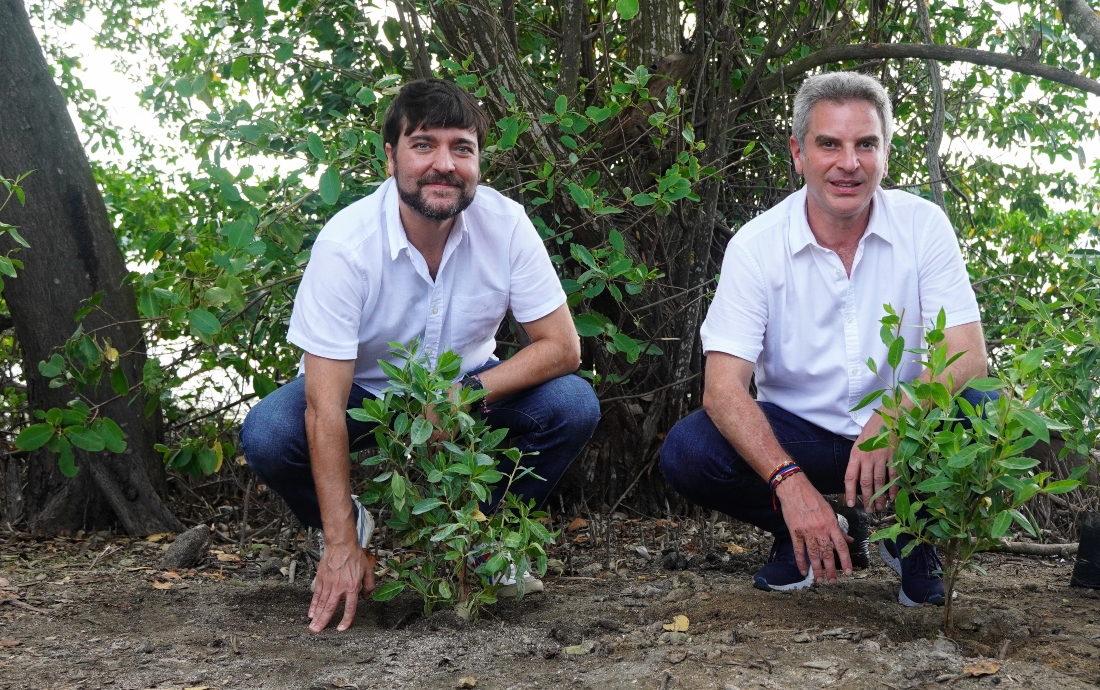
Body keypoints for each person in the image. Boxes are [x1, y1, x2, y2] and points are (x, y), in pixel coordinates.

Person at [240, 78, 600, 633]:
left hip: (466, 384)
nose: (444, 165)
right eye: (424, 144)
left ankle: (484, 541)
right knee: (268, 432)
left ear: (479, 160)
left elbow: (563, 348)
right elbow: (324, 407)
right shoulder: (346, 245)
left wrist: (465, 395)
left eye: (462, 147)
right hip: (366, 394)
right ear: (391, 158)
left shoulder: (505, 225)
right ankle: (348, 528)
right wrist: (337, 541)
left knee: (573, 404)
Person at [659, 72, 989, 606]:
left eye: (866, 144)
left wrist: (899, 415)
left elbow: (968, 355)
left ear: (885, 151)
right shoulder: (756, 245)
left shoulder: (924, 225)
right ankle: (807, 525)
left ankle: (914, 534)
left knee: (985, 408)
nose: (848, 163)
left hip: (904, 439)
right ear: (798, 153)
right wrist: (790, 484)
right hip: (800, 437)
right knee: (691, 449)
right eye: (829, 144)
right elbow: (723, 390)